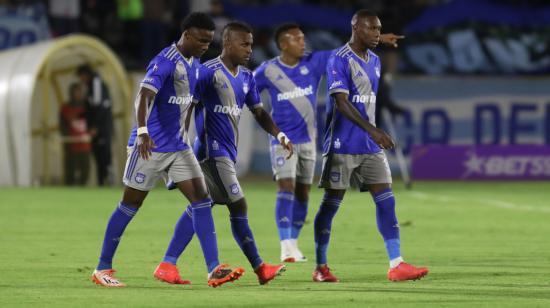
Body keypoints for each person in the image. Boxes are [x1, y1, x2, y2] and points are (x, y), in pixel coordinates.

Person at [91, 12, 244, 288]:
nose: (205, 46)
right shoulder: (165, 62)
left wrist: (186, 137)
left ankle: (213, 268)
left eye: (209, 42)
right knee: (130, 205)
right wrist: (142, 132)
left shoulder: (196, 65)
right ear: (185, 35)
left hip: (178, 148)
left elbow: (186, 105)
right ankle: (102, 268)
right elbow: (144, 96)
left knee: (202, 199)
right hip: (150, 147)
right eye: (200, 40)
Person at [253, 23, 405, 263]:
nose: (303, 43)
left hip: (309, 140)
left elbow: (345, 50)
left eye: (303, 38)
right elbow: (248, 92)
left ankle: (293, 241)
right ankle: (285, 245)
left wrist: (377, 38)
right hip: (283, 142)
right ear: (283, 44)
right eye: (297, 39)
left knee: (303, 193)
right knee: (286, 187)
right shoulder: (267, 71)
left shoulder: (313, 62)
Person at [157, 21, 292, 286]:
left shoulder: (246, 77)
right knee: (237, 204)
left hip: (227, 152)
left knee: (201, 204)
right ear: (227, 43)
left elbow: (260, 112)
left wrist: (279, 134)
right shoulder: (207, 73)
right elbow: (187, 106)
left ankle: (167, 264)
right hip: (211, 151)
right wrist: (179, 142)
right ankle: (260, 268)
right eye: (244, 44)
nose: (249, 49)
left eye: (251, 44)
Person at [313, 9, 429, 282]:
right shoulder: (338, 59)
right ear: (356, 28)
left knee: (386, 200)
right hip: (342, 145)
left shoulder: (375, 60)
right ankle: (320, 266)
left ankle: (396, 263)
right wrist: (374, 130)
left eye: (379, 29)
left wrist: (372, 134)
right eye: (372, 29)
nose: (377, 33)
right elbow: (342, 103)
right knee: (331, 204)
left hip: (369, 146)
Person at [77, 64, 113, 186]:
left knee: (103, 156)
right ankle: (102, 182)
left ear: (85, 75)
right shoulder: (91, 86)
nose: (81, 80)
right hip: (99, 128)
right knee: (98, 156)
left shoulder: (96, 83)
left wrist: (95, 127)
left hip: (101, 129)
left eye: (81, 77)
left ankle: (106, 181)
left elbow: (99, 107)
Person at [60, 83, 91, 186]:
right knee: (70, 170)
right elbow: (62, 125)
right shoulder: (65, 108)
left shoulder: (87, 108)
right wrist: (67, 135)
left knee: (85, 170)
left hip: (85, 144)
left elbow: (92, 122)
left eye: (79, 92)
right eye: (75, 92)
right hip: (71, 144)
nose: (77, 94)